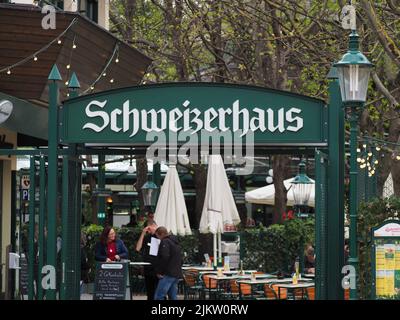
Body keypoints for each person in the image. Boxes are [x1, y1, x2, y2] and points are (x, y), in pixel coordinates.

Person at [153, 226, 182, 300]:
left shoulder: (165, 241)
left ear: (162, 234)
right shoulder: (176, 242)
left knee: (159, 296)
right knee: (173, 296)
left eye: (158, 236)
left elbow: (164, 257)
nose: (158, 239)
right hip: (176, 273)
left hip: (168, 273)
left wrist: (159, 271)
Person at [135, 222, 159, 300]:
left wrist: (156, 232)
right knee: (150, 292)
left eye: (151, 226)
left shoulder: (160, 236)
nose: (149, 228)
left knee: (159, 291)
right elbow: (138, 248)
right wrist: (143, 233)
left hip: (158, 268)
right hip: (148, 268)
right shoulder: (147, 237)